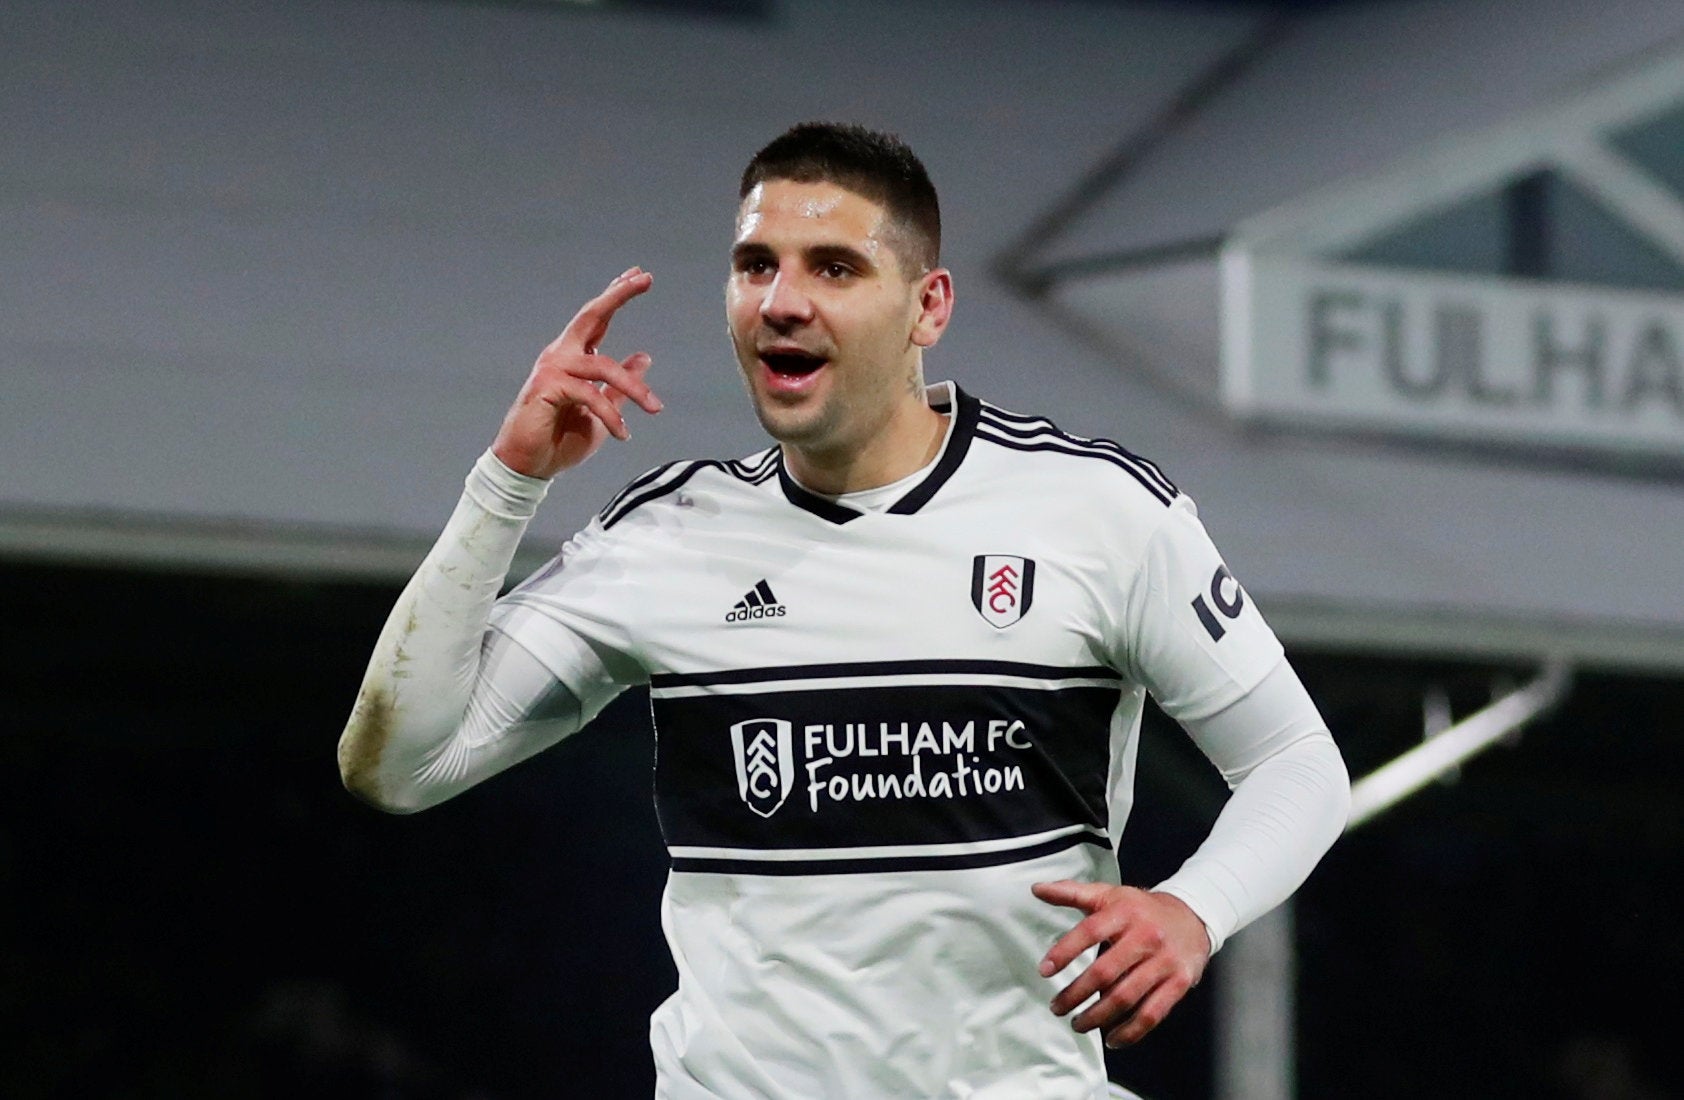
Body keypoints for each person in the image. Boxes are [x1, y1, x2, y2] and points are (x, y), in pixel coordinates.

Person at [338, 121, 1351, 1099]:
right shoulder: (666, 538)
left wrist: (1191, 908)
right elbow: (399, 763)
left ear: (928, 303)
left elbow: (1296, 763)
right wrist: (509, 481)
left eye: (833, 266)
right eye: (754, 265)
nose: (781, 300)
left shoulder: (1096, 512)